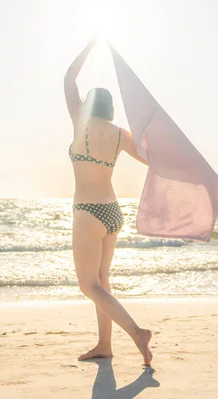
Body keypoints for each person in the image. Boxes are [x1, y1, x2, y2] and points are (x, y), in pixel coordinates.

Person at [65, 39, 153, 366]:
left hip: (88, 213)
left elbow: (67, 80)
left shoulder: (80, 125)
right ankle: (105, 344)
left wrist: (88, 46)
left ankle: (136, 332)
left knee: (88, 285)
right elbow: (150, 160)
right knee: (102, 281)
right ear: (111, 110)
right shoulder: (119, 134)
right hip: (113, 212)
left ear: (88, 106)